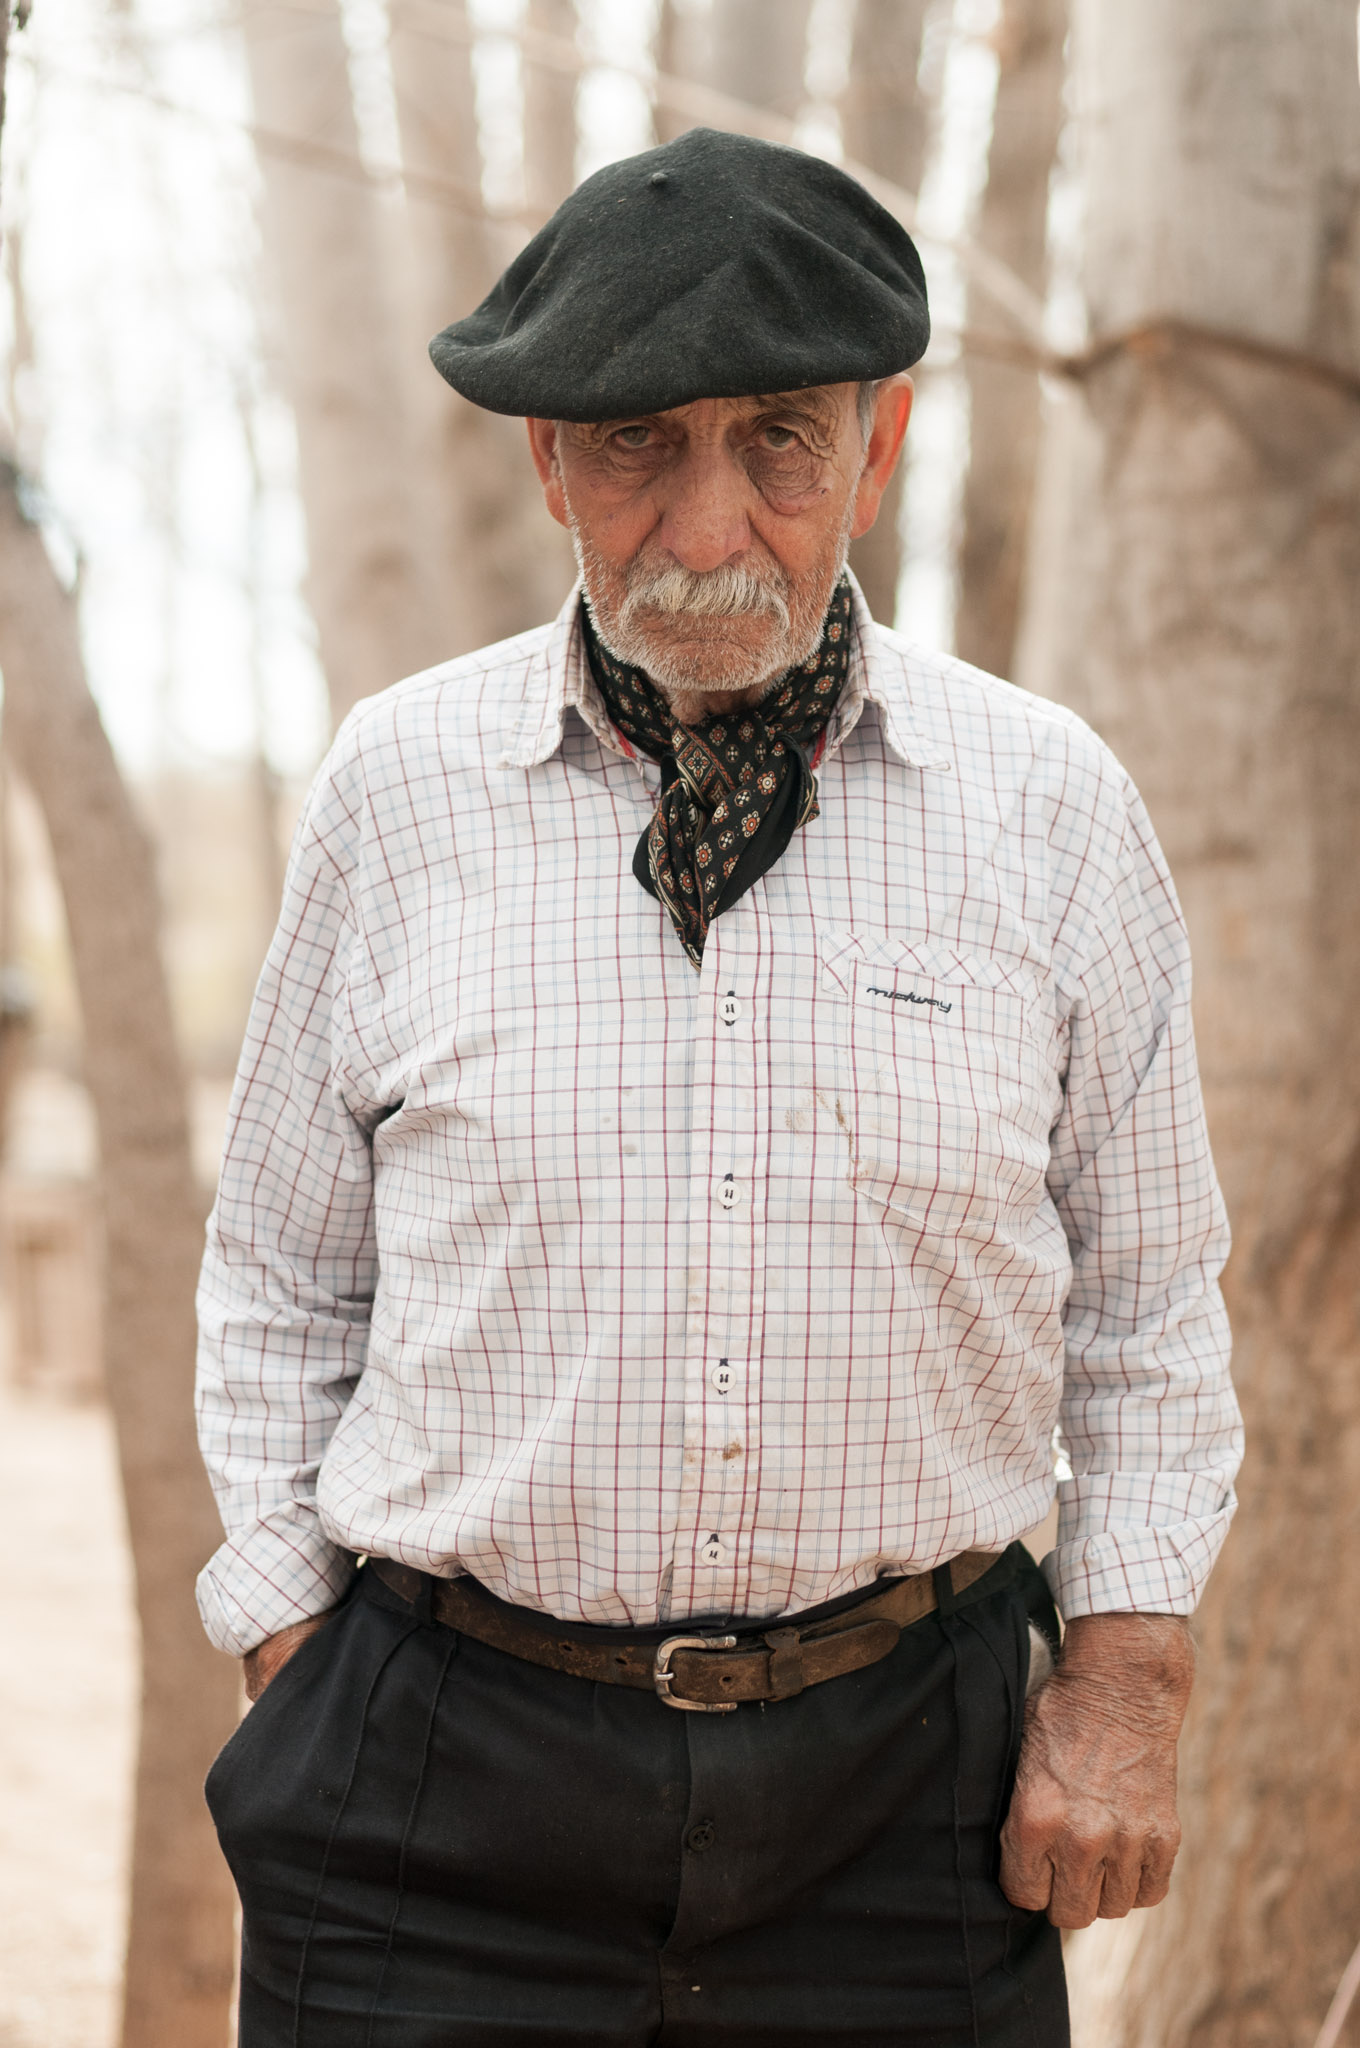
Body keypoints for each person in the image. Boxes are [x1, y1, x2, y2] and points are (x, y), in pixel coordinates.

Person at [195, 128, 1242, 2046]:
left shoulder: (1054, 813)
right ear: (546, 462)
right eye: (634, 444)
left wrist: (1120, 1689)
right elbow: (276, 1275)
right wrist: (298, 1651)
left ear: (880, 443)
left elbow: (1156, 1308)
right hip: (441, 1797)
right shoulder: (395, 794)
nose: (701, 528)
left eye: (776, 439)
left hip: (903, 1814)